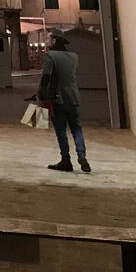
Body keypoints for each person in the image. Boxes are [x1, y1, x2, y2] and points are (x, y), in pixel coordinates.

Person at [41, 30, 90, 173]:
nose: (46, 41)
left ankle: (66, 160)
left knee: (61, 131)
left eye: (48, 38)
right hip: (73, 97)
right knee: (76, 128)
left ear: (54, 41)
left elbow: (46, 77)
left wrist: (42, 95)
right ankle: (82, 155)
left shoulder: (50, 56)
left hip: (58, 98)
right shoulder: (74, 56)